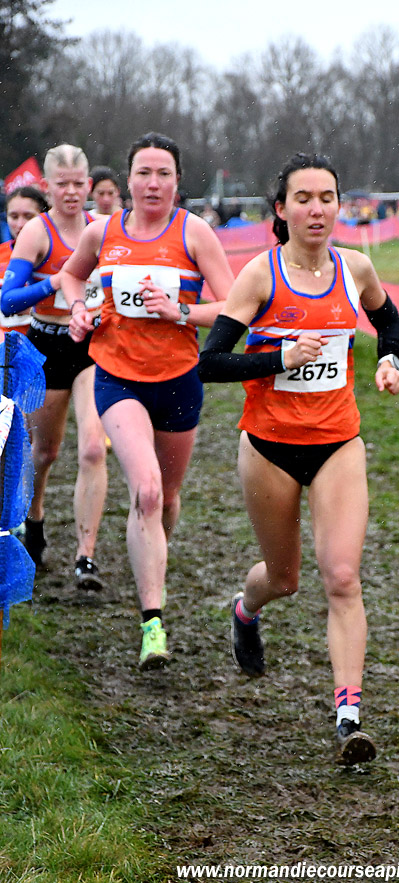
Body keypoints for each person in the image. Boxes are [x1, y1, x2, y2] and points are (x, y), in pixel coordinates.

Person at [198, 152, 399, 766]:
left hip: (339, 442)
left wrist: (388, 358)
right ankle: (246, 610)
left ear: (339, 206)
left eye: (327, 198)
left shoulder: (355, 268)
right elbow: (210, 364)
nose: (317, 209)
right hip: (269, 448)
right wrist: (280, 358)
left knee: (342, 576)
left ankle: (349, 718)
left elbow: (387, 317)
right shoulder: (260, 277)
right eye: (304, 198)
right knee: (283, 579)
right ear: (282, 209)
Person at [63, 132, 234, 670]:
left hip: (179, 380)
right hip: (118, 379)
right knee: (149, 489)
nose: (153, 183)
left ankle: (150, 553)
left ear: (177, 181)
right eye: (144, 172)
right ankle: (152, 625)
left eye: (164, 174)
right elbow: (73, 275)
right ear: (129, 179)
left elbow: (234, 306)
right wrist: (79, 310)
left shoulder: (194, 232)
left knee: (168, 497)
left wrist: (180, 312)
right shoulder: (103, 231)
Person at [1, 145, 108, 590]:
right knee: (44, 453)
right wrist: (55, 282)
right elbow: (8, 300)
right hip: (47, 345)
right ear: (47, 186)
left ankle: (86, 556)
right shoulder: (37, 232)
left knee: (93, 448)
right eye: (61, 184)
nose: (71, 192)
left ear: (89, 185)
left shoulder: (102, 229)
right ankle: (36, 518)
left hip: (92, 348)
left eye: (78, 183)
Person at [0, 186, 49, 336]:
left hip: (45, 340)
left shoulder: (57, 255)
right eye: (14, 216)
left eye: (28, 216)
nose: (20, 224)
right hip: (5, 342)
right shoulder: (1, 253)